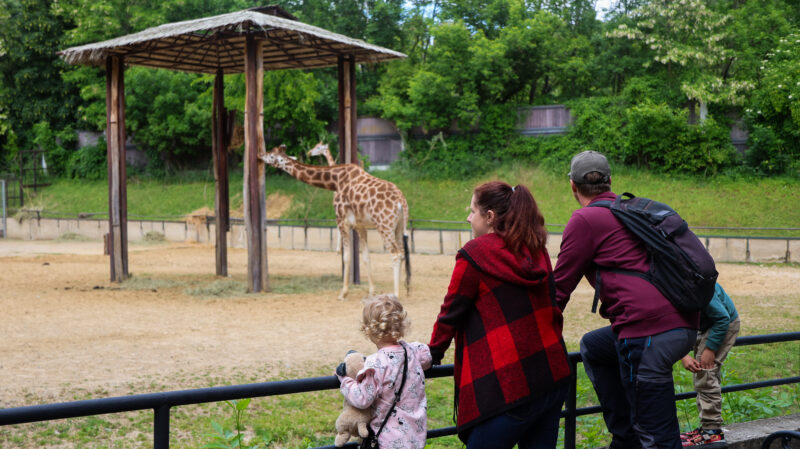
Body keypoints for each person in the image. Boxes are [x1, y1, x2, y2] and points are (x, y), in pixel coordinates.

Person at [553, 151, 699, 449]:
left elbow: (557, 290)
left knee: (658, 438)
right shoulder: (634, 209)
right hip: (683, 323)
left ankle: (636, 437)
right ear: (610, 182)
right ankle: (626, 437)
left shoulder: (585, 219)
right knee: (594, 347)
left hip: (647, 333)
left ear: (572, 185)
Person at [428, 181, 572, 449]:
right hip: (551, 372)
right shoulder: (535, 247)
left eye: (473, 211)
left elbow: (450, 313)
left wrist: (431, 355)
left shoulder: (474, 255)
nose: (469, 217)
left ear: (490, 217)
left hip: (510, 383)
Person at [336, 294, 432, 449]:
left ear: (368, 330)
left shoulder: (376, 363)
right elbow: (427, 357)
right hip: (415, 437)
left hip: (388, 441)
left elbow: (362, 398)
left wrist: (345, 380)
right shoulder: (413, 350)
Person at [680, 283, 740, 448]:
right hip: (706, 324)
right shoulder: (670, 283)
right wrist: (683, 354)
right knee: (702, 375)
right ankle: (706, 429)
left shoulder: (697, 286)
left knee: (706, 374)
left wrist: (710, 348)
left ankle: (712, 432)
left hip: (722, 323)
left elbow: (722, 318)